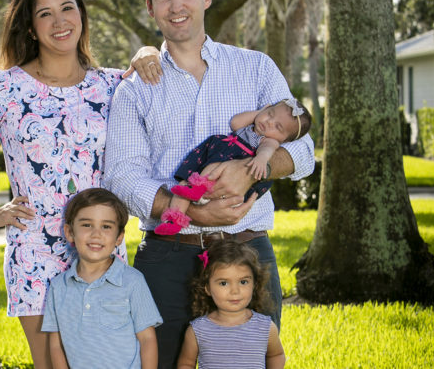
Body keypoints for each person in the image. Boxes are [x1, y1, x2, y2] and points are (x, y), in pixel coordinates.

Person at [0, 0, 159, 368]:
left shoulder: (111, 86)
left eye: (68, 8)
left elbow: (161, 101)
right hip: (35, 249)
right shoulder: (6, 88)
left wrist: (146, 51)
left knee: (108, 358)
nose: (60, 22)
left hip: (100, 246)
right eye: (45, 14)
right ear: (31, 28)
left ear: (82, 16)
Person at [103, 0, 315, 366]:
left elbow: (304, 151)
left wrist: (257, 168)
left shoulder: (256, 67)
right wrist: (194, 211)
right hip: (168, 257)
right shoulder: (133, 89)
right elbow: (122, 177)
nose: (175, 5)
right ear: (150, 6)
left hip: (247, 251)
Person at [41, 188, 162, 368]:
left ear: (119, 236)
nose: (96, 234)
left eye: (106, 226)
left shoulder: (132, 281)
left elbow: (147, 339)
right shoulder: (59, 287)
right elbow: (56, 344)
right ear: (69, 232)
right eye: (87, 225)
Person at [156, 99, 312, 234]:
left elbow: (267, 150)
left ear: (284, 141)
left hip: (225, 177)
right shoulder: (249, 126)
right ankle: (174, 221)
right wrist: (260, 113)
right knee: (183, 186)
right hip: (214, 171)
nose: (269, 122)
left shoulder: (269, 141)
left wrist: (261, 159)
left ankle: (199, 187)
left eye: (278, 127)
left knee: (216, 165)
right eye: (270, 114)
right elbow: (235, 122)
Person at [177, 240, 285, 369]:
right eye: (224, 283)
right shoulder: (198, 330)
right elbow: (186, 364)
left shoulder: (266, 327)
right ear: (207, 288)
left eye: (243, 282)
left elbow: (276, 355)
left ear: (254, 284)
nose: (235, 291)